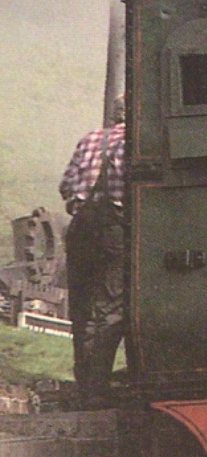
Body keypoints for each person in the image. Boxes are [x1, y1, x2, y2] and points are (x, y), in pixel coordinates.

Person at [59, 99, 127, 409]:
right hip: (113, 229)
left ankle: (85, 384)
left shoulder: (89, 139)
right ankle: (98, 388)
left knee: (82, 308)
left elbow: (66, 186)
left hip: (81, 228)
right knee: (110, 309)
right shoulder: (133, 143)